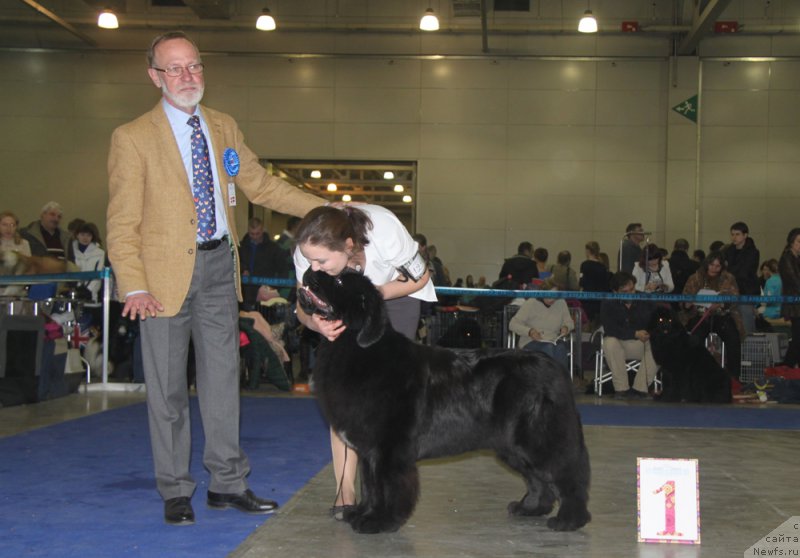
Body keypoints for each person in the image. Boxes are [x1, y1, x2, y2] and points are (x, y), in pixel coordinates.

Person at [106, 30, 325, 526]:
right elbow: (121, 221)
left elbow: (260, 185)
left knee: (224, 381)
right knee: (167, 390)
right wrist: (133, 283)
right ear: (155, 77)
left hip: (220, 270)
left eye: (194, 65)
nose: (188, 76)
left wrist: (324, 206)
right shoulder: (132, 137)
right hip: (160, 280)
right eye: (175, 68)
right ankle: (175, 489)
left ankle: (227, 483)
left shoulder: (222, 125)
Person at [292, 204, 437, 521]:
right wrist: (315, 323)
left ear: (348, 246)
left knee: (386, 403)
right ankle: (345, 491)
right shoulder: (309, 249)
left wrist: (372, 294)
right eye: (309, 260)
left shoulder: (385, 228)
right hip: (342, 308)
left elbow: (421, 276)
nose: (313, 267)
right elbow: (302, 304)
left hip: (396, 295)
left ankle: (387, 488)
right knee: (343, 399)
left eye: (321, 261)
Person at [682, 252, 743, 379]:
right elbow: (685, 297)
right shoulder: (695, 278)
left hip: (722, 315)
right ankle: (693, 376)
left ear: (722, 267)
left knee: (733, 339)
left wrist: (721, 304)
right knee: (693, 340)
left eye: (717, 266)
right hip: (699, 315)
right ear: (706, 264)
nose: (714, 268)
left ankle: (733, 378)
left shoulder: (729, 278)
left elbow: (735, 298)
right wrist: (687, 304)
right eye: (711, 265)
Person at [599, 271, 658, 399]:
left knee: (660, 344)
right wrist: (635, 333)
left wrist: (649, 332)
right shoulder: (607, 303)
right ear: (615, 292)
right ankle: (621, 389)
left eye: (632, 289)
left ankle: (640, 388)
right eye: (624, 292)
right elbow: (610, 329)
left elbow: (657, 321)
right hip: (619, 344)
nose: (630, 293)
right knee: (609, 342)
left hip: (642, 344)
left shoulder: (646, 299)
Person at [508, 288, 574, 370]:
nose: (552, 300)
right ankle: (547, 377)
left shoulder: (561, 302)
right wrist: (530, 331)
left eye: (555, 296)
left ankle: (561, 377)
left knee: (561, 348)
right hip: (530, 341)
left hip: (553, 340)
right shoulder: (531, 303)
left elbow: (569, 322)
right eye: (549, 296)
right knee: (548, 348)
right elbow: (513, 324)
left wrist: (566, 327)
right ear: (542, 292)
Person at [238, 217, 288, 309]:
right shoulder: (241, 247)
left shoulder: (274, 249)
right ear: (248, 231)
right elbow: (236, 264)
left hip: (266, 295)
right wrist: (243, 269)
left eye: (258, 233)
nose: (255, 237)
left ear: (262, 230)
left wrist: (274, 288)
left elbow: (283, 270)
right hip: (244, 293)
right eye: (252, 234)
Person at [722, 222, 760, 335]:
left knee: (746, 320)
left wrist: (729, 271)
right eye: (732, 234)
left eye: (737, 234)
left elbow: (744, 273)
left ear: (745, 235)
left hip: (746, 291)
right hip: (730, 292)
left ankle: (750, 343)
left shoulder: (753, 252)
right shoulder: (727, 251)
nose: (734, 237)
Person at [778, 228, 800, 367]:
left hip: (796, 304)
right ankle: (787, 366)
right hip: (794, 306)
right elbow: (794, 281)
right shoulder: (787, 258)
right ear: (791, 242)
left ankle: (788, 365)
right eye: (799, 241)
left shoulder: (797, 258)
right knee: (797, 338)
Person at [70, 222, 106, 304]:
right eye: (82, 234)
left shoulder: (100, 253)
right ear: (77, 235)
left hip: (92, 292)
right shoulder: (70, 251)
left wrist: (88, 289)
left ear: (92, 237)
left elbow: (98, 272)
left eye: (88, 235)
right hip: (74, 290)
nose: (85, 238)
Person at [0, 210, 32, 297]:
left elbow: (28, 267)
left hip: (18, 289)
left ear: (16, 227)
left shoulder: (24, 243)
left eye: (12, 225)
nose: (8, 228)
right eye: (4, 225)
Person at [579, 241, 611, 324]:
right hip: (599, 299)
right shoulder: (602, 267)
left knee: (587, 321)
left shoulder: (584, 265)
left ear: (588, 251)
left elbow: (582, 282)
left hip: (587, 298)